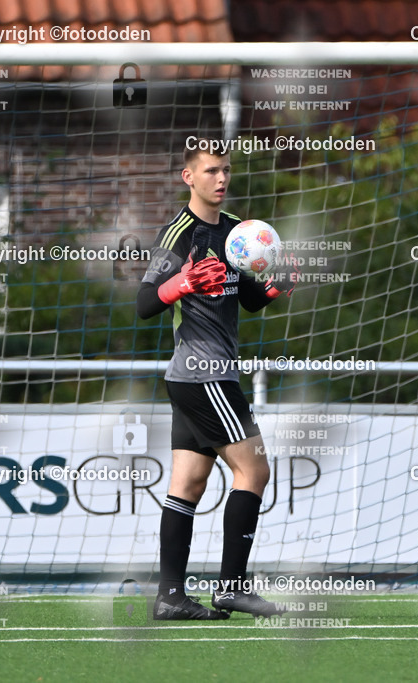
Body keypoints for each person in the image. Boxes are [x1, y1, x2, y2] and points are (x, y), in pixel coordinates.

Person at [136, 142, 295, 619]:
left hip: (193, 377)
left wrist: (277, 284)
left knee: (188, 484)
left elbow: (246, 299)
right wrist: (181, 283)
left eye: (226, 170)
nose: (221, 179)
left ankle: (170, 597)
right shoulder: (180, 234)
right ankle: (231, 587)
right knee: (255, 470)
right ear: (188, 177)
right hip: (205, 376)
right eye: (210, 171)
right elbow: (145, 304)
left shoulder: (235, 232)